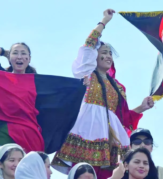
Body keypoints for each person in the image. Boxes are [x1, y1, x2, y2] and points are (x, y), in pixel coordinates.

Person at [52, 9, 154, 178]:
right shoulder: (87, 76)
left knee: (106, 175)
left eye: (110, 54)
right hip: (85, 132)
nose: (108, 56)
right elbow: (88, 46)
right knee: (82, 172)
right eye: (104, 53)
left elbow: (122, 119)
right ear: (95, 57)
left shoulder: (118, 87)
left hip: (108, 139)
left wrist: (141, 107)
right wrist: (104, 22)